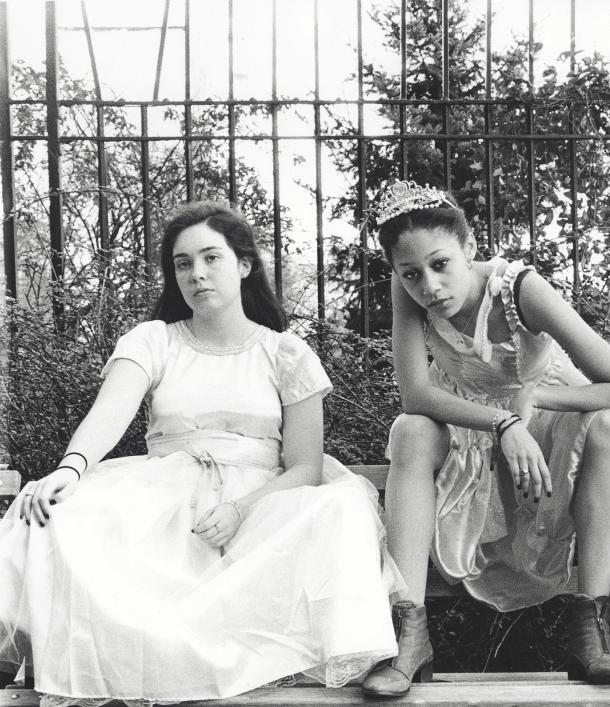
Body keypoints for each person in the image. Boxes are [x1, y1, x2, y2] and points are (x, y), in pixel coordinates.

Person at [0, 201, 402, 706]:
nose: (197, 273)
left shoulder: (286, 353)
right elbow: (110, 413)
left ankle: (368, 656)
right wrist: (71, 467)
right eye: (183, 263)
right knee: (54, 509)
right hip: (168, 498)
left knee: (340, 506)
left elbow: (305, 466)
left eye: (211, 258)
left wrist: (240, 510)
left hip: (260, 506)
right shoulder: (154, 341)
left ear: (245, 264)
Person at [359, 180, 610, 696]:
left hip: (546, 423)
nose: (428, 285)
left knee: (607, 424)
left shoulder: (518, 289)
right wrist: (501, 423)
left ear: (469, 249)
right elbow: (415, 397)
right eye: (411, 274)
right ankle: (407, 632)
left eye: (440, 264)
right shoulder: (411, 295)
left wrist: (532, 406)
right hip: (477, 430)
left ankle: (592, 630)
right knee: (410, 432)